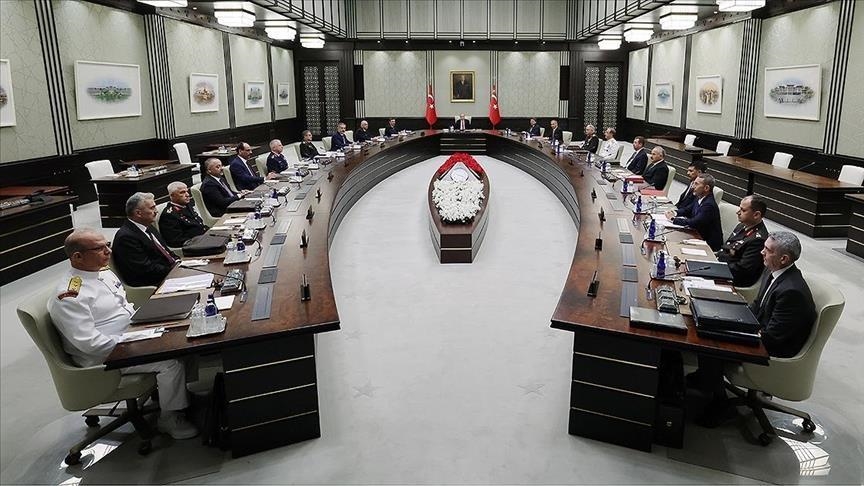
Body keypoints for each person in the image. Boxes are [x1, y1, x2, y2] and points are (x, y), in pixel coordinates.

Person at [48, 229, 198, 440]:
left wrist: (146, 327)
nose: (108, 251)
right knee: (170, 361)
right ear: (78, 257)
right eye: (99, 248)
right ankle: (169, 418)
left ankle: (177, 396)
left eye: (107, 245)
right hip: (106, 355)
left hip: (129, 335)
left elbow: (124, 307)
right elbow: (90, 344)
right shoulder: (70, 296)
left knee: (183, 335)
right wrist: (137, 342)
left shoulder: (103, 272)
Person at [751, 232, 817, 357]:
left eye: (767, 250)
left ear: (783, 259)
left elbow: (772, 338)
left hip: (772, 351)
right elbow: (757, 305)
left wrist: (740, 333)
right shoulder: (772, 270)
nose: (762, 252)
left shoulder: (792, 293)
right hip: (761, 333)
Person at [111, 192, 179, 287]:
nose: (156, 211)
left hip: (168, 272)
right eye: (152, 208)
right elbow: (145, 269)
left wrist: (179, 262)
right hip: (153, 283)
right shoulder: (126, 237)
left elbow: (166, 251)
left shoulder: (148, 226)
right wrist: (175, 270)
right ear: (138, 213)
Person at [715, 195, 769, 287]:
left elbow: (742, 270)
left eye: (743, 210)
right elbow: (726, 248)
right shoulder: (742, 225)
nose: (738, 212)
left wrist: (716, 265)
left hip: (733, 280)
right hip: (723, 266)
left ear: (756, 215)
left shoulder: (758, 240)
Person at [666, 174, 723, 251]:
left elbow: (694, 222)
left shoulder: (709, 205)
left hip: (708, 243)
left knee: (675, 246)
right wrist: (674, 212)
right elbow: (687, 210)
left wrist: (673, 219)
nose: (692, 187)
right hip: (696, 234)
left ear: (706, 188)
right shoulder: (699, 197)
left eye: (696, 184)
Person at [159, 181, 208, 248]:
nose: (187, 195)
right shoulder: (169, 215)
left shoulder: (186, 205)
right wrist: (200, 240)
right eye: (182, 192)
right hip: (194, 245)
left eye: (187, 191)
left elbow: (198, 223)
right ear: (172, 195)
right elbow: (175, 240)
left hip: (203, 236)